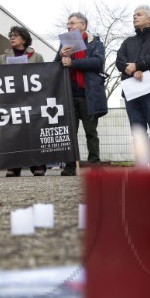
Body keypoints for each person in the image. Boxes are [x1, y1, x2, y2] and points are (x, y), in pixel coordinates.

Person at [115, 5, 150, 166]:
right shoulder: (128, 41)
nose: (134, 17)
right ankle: (141, 166)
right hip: (131, 92)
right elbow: (119, 60)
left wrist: (138, 65)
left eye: (138, 14)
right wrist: (133, 71)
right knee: (138, 132)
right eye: (133, 15)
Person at [55, 12, 107, 176]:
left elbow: (98, 62)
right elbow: (55, 66)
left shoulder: (95, 43)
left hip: (88, 95)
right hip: (69, 94)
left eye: (71, 23)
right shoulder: (63, 44)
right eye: (68, 23)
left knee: (91, 132)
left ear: (82, 25)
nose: (68, 26)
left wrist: (73, 62)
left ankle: (95, 164)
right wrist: (60, 56)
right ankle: (70, 165)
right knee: (70, 132)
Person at [0, 25, 46, 177]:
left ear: (24, 39)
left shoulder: (37, 57)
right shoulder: (2, 58)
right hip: (11, 101)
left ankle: (37, 165)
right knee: (13, 133)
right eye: (11, 35)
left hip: (32, 100)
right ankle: (14, 166)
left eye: (16, 35)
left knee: (33, 131)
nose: (12, 37)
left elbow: (43, 77)